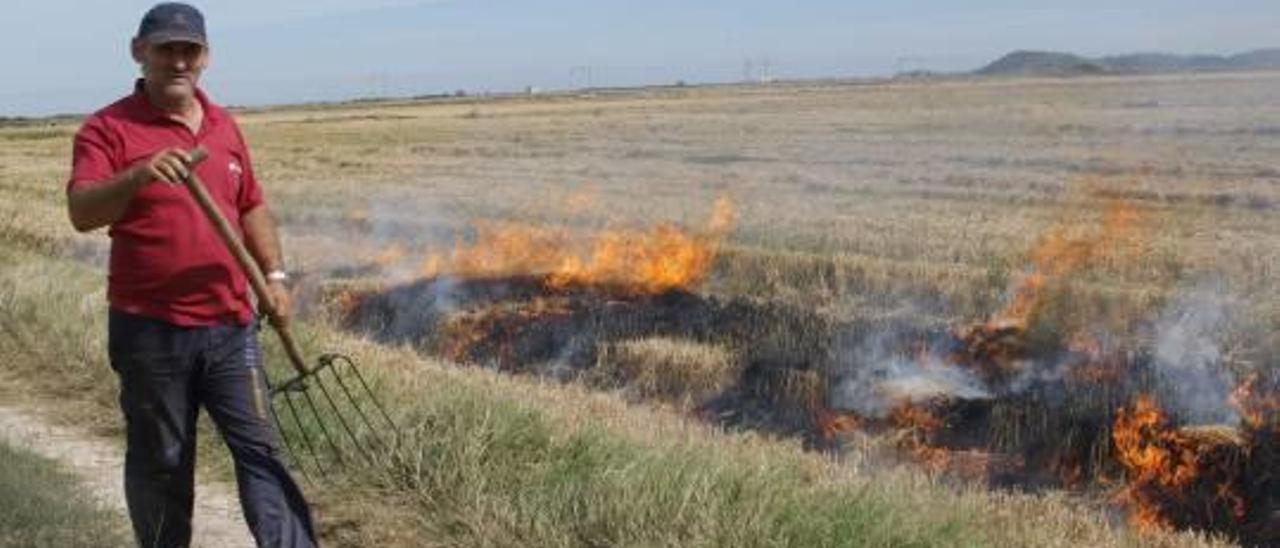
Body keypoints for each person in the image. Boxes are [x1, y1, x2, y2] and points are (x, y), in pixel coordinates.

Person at [65, 3, 316, 547]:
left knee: (262, 454)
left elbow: (251, 205)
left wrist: (273, 274)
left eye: (190, 50)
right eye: (166, 49)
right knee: (163, 464)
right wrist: (137, 175)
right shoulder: (106, 128)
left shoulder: (224, 125)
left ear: (206, 57)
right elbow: (82, 212)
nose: (178, 60)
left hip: (231, 327)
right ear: (140, 51)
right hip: (150, 332)